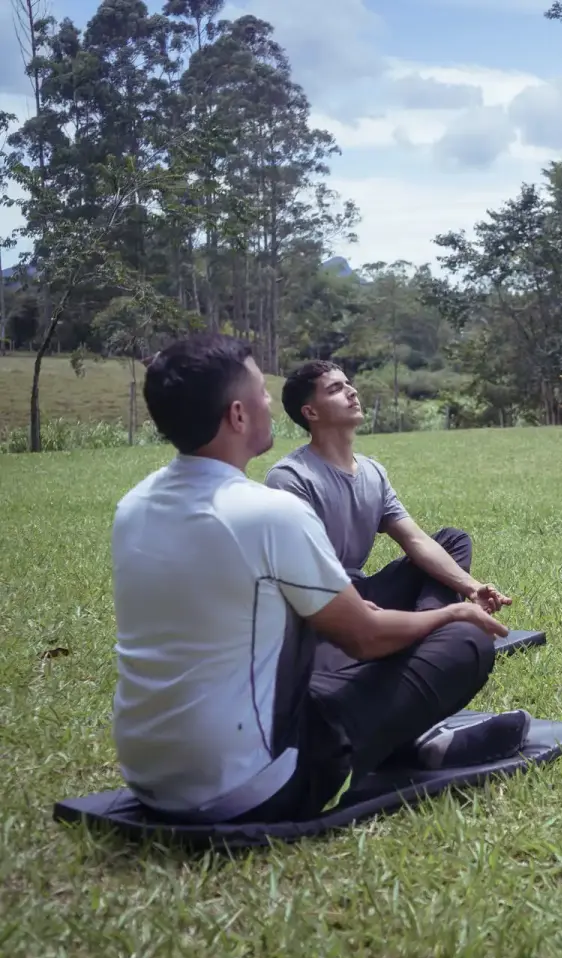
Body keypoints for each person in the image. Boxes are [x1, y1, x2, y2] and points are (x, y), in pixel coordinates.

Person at [110, 334, 530, 825]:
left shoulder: (132, 506)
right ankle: (404, 744)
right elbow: (365, 638)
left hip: (147, 777)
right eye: (262, 394)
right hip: (254, 785)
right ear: (238, 416)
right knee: (464, 643)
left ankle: (400, 736)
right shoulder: (271, 508)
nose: (271, 403)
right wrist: (456, 611)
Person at [265, 360, 511, 671]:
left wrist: (471, 586)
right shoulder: (291, 478)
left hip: (364, 593)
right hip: (320, 607)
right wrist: (350, 612)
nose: (352, 392)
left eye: (348, 384)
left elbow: (414, 539)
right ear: (310, 413)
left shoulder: (372, 472)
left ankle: (429, 627)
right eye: (335, 389)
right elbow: (296, 574)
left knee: (452, 540)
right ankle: (428, 631)